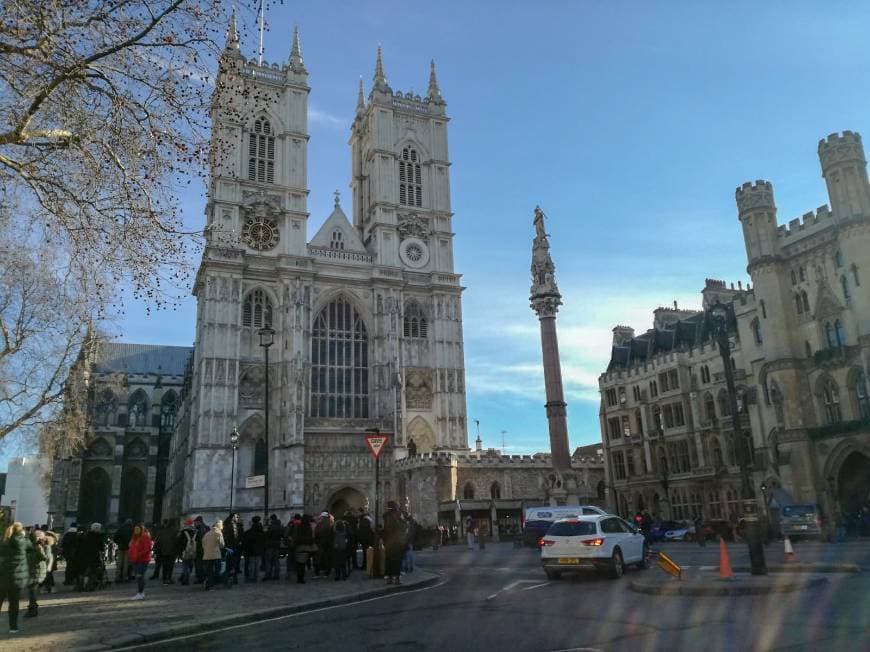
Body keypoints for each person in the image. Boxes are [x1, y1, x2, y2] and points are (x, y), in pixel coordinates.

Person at [0, 522, 34, 634]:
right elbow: (31, 548)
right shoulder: (24, 541)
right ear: (21, 530)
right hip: (17, 579)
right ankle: (13, 627)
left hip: (3, 576)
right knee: (14, 604)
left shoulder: (4, 541)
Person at [24, 530, 48, 618]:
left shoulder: (38, 547)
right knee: (31, 591)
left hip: (36, 571)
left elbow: (44, 558)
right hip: (32, 570)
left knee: (32, 591)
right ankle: (33, 607)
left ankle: (32, 609)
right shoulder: (30, 547)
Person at [382, 501, 406, 585]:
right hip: (396, 541)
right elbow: (403, 526)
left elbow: (384, 529)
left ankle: (389, 578)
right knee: (397, 560)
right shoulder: (398, 514)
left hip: (388, 542)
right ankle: (397, 579)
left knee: (389, 560)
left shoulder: (385, 515)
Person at [127, 524, 153, 600]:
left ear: (141, 530)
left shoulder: (145, 537)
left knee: (139, 576)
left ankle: (140, 592)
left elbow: (147, 549)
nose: (136, 531)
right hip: (135, 560)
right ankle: (140, 592)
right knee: (138, 576)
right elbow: (131, 547)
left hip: (142, 560)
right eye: (135, 529)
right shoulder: (134, 537)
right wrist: (131, 554)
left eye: (138, 529)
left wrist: (138, 554)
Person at [290, 514, 316, 584]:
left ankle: (299, 578)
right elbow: (312, 537)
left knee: (299, 563)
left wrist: (294, 545)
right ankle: (302, 578)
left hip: (299, 546)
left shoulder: (299, 527)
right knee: (303, 563)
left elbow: (296, 537)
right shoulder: (309, 527)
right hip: (307, 547)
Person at [201, 520, 225, 590]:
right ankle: (213, 582)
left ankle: (209, 584)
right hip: (216, 555)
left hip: (206, 555)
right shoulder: (218, 533)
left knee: (209, 571)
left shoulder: (207, 533)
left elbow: (203, 544)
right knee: (217, 570)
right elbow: (222, 545)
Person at [154, 519, 178, 585]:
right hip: (172, 552)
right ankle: (168, 578)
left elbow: (157, 541)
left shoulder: (162, 531)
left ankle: (164, 578)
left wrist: (156, 550)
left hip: (163, 551)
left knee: (165, 565)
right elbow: (177, 542)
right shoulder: (175, 531)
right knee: (170, 566)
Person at [242, 516, 265, 582]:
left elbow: (245, 542)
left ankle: (251, 577)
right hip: (259, 550)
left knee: (252, 564)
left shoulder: (248, 532)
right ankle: (256, 577)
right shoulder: (261, 532)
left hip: (251, 550)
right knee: (257, 564)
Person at [222, 513, 241, 584]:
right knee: (230, 564)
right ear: (233, 518)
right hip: (230, 547)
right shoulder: (229, 525)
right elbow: (227, 537)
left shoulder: (233, 525)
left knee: (232, 563)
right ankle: (228, 579)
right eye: (236, 517)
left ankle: (232, 578)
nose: (237, 518)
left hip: (233, 547)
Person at [177, 519, 197, 585]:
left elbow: (179, 542)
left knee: (185, 565)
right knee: (190, 564)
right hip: (193, 552)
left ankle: (185, 579)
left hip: (185, 551)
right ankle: (185, 576)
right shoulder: (196, 531)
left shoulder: (183, 532)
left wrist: (179, 552)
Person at [314, 512, 334, 578]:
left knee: (319, 558)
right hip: (328, 544)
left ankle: (318, 572)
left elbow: (316, 534)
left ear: (323, 517)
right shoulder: (331, 524)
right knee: (327, 558)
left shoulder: (319, 524)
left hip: (320, 543)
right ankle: (327, 572)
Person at [264, 514, 283, 580]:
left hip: (270, 545)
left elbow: (267, 535)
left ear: (271, 519)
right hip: (277, 545)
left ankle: (268, 575)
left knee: (268, 561)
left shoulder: (271, 526)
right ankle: (276, 575)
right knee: (276, 561)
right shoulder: (280, 526)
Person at [192, 516, 209, 584]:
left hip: (199, 549)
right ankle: (203, 577)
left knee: (199, 565)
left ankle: (200, 578)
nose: (194, 524)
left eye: (195, 522)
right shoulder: (206, 528)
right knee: (203, 564)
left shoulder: (198, 529)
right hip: (205, 549)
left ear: (198, 522)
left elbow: (197, 540)